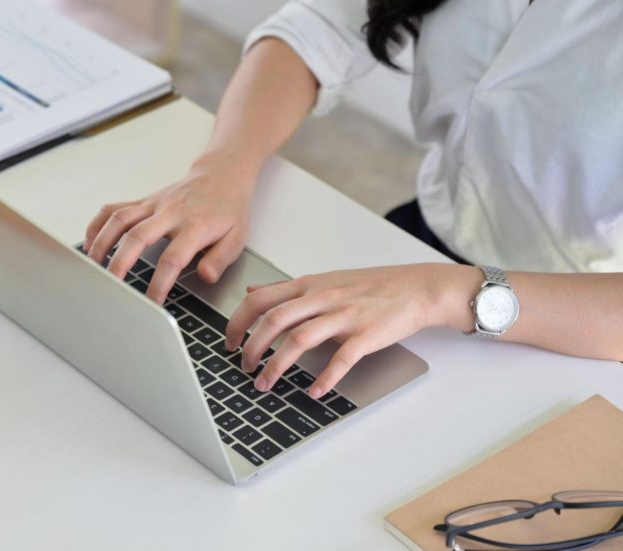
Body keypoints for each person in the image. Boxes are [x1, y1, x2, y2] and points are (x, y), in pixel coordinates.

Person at [81, 0, 623, 400]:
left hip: (576, 318)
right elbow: (316, 28)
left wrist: (439, 293)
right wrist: (221, 170)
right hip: (424, 240)